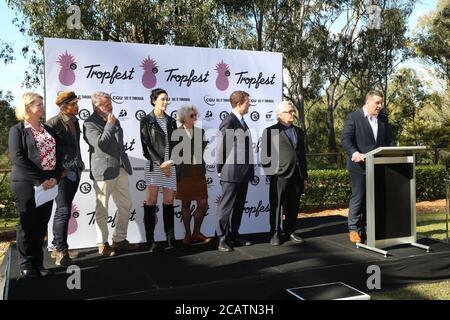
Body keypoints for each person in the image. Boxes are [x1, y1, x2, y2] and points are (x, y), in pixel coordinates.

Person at [8, 92, 62, 278]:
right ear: (27, 107)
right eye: (38, 103)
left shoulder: (49, 129)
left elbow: (59, 156)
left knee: (41, 225)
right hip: (26, 183)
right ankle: (26, 263)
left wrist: (55, 177)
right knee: (27, 224)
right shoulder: (17, 130)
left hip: (49, 183)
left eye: (41, 103)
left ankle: (38, 262)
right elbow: (18, 159)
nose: (42, 106)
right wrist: (40, 180)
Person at [83, 92, 138, 256]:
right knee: (102, 208)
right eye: (106, 104)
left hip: (120, 169)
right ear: (97, 106)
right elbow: (100, 144)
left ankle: (119, 239)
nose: (110, 106)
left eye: (110, 103)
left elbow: (119, 144)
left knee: (126, 206)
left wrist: (111, 123)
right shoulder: (89, 123)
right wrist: (109, 124)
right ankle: (102, 243)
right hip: (104, 172)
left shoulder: (114, 119)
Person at [341, 90, 395, 243]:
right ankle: (353, 229)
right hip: (359, 166)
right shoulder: (354, 117)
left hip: (378, 165)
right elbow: (345, 140)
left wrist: (392, 153)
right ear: (367, 102)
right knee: (359, 197)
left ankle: (370, 228)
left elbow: (389, 140)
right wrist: (355, 153)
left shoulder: (384, 119)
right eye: (377, 103)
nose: (380, 106)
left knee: (375, 198)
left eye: (381, 103)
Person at [261, 101, 308, 246]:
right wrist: (273, 173)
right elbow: (265, 156)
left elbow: (302, 155)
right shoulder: (270, 131)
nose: (293, 113)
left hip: (297, 175)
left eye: (293, 111)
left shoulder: (299, 131)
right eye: (290, 111)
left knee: (293, 205)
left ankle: (290, 231)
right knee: (276, 206)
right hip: (279, 176)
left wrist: (304, 176)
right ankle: (275, 233)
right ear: (280, 115)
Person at [46, 91, 84, 267]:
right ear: (64, 107)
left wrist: (80, 163)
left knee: (64, 210)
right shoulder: (52, 123)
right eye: (74, 103)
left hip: (75, 171)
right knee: (63, 210)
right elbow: (47, 152)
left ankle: (57, 246)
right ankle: (61, 251)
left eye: (76, 102)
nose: (77, 106)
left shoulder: (76, 122)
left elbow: (75, 146)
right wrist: (57, 171)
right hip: (61, 175)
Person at [215, 90, 254, 252]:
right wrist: (219, 168)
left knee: (238, 206)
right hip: (231, 172)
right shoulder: (229, 121)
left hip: (243, 172)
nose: (249, 105)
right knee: (226, 207)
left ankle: (233, 235)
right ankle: (221, 238)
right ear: (239, 104)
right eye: (247, 102)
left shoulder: (242, 121)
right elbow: (222, 147)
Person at [140, 88, 178, 251]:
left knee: (169, 202)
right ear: (154, 100)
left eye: (167, 99)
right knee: (151, 202)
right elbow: (146, 146)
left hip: (170, 166)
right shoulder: (146, 120)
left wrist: (170, 163)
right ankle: (150, 241)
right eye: (162, 99)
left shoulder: (171, 121)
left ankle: (171, 238)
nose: (165, 102)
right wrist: (162, 164)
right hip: (155, 166)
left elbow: (176, 144)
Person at [173, 105, 211, 246]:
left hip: (198, 172)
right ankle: (188, 234)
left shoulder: (200, 132)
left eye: (195, 115)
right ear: (184, 117)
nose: (195, 118)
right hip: (184, 173)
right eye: (191, 115)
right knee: (186, 203)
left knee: (203, 203)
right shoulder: (176, 132)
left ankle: (196, 232)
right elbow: (176, 155)